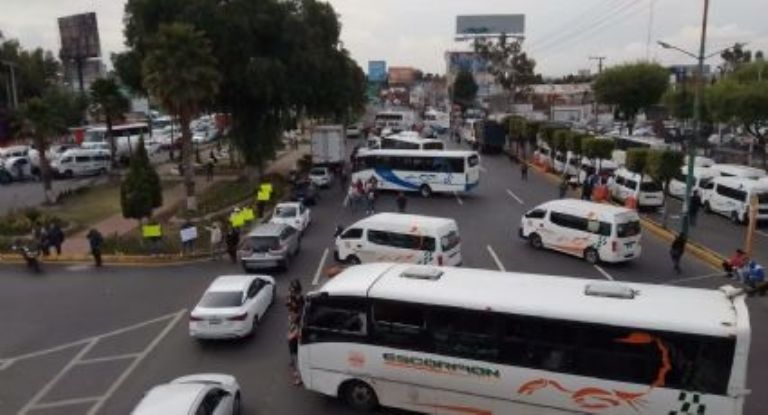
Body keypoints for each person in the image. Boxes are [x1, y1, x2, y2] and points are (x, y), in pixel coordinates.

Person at [287, 316, 302, 385]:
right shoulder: (292, 325)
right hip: (292, 347)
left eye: (291, 316)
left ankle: (299, 379)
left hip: (295, 348)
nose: (289, 317)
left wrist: (292, 335)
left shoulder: (297, 328)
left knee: (296, 363)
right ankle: (296, 373)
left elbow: (290, 337)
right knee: (292, 362)